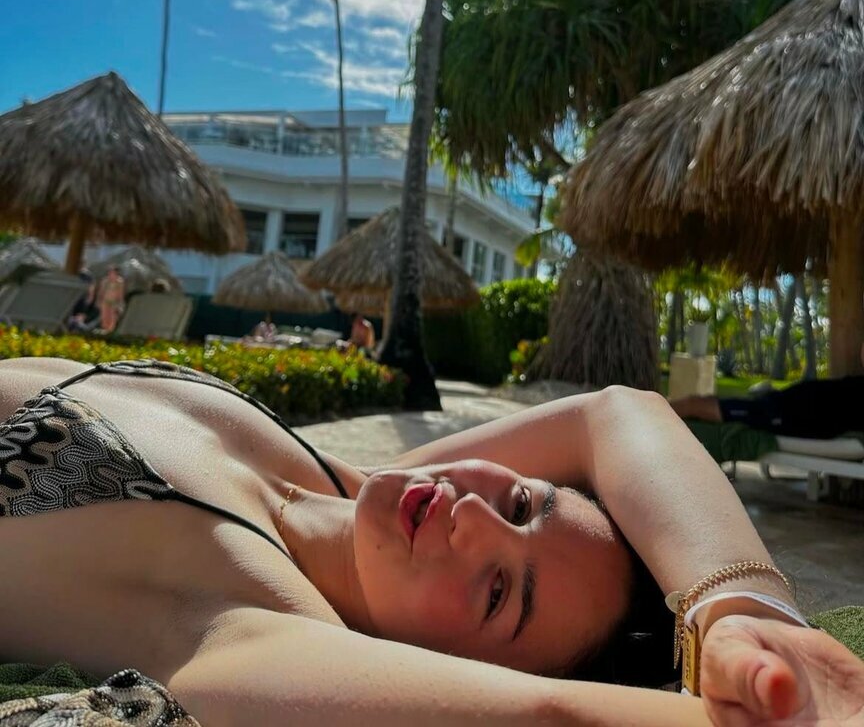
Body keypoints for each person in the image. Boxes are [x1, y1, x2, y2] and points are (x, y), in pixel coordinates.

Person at [0, 357, 861, 727]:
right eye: (522, 502)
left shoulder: (243, 617)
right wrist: (744, 612)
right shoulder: (342, 484)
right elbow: (617, 413)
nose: (473, 517)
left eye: (498, 592)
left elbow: (550, 715)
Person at [671, 375, 864, 439]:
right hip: (782, 404)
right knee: (700, 401)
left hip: (784, 414)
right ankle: (657, 412)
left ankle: (654, 415)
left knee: (694, 404)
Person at [95, 266, 126, 333]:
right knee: (104, 316)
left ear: (116, 273)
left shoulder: (119, 282)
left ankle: (110, 330)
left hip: (114, 302)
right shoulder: (105, 281)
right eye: (109, 273)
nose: (111, 274)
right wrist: (98, 300)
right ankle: (104, 329)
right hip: (105, 301)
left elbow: (120, 294)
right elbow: (101, 292)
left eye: (113, 273)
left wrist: (120, 303)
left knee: (112, 317)